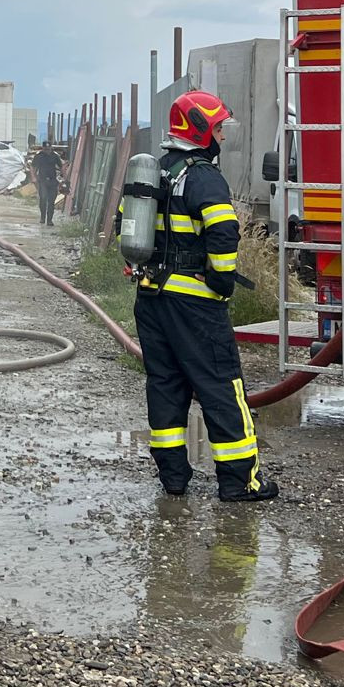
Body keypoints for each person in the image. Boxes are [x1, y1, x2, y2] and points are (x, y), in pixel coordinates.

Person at [124, 89, 273, 502]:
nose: (223, 136)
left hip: (151, 298)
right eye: (220, 128)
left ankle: (173, 477)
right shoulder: (203, 176)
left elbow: (128, 224)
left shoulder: (157, 172)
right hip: (194, 303)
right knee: (222, 387)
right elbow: (223, 230)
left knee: (165, 383)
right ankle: (241, 482)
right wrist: (223, 279)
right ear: (203, 130)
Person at [31, 140, 63, 226]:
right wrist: (33, 177)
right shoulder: (39, 156)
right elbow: (33, 167)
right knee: (43, 199)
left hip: (53, 181)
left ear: (51, 148)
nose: (47, 151)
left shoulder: (55, 156)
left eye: (49, 149)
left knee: (51, 201)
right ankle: (42, 217)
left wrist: (64, 178)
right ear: (43, 148)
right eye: (46, 149)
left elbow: (61, 167)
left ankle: (49, 220)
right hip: (42, 181)